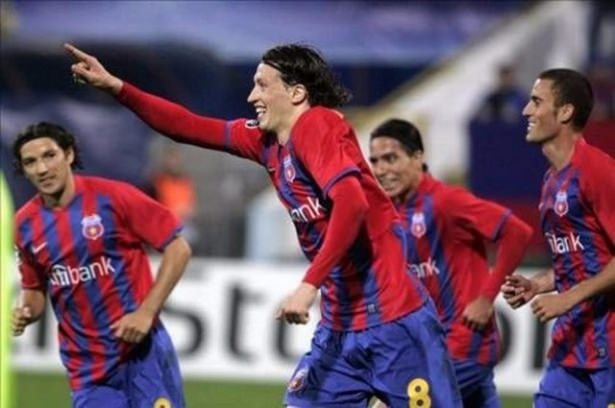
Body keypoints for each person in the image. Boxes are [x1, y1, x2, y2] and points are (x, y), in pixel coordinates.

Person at [65, 42, 462, 407]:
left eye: (262, 85)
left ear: (296, 93)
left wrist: (309, 284)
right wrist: (117, 87)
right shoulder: (266, 142)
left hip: (395, 322)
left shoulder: (317, 125)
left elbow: (352, 202)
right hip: (341, 327)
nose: (251, 96)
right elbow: (186, 125)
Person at [11, 122, 191, 408]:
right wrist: (25, 312)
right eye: (30, 162)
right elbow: (34, 288)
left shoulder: (114, 197)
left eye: (49, 155)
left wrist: (146, 312)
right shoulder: (24, 225)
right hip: (88, 369)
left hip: (143, 354)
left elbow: (178, 248)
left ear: (69, 154)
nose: (42, 168)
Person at [368, 119, 533, 408]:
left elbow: (517, 232)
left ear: (417, 157)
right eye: (375, 161)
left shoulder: (446, 201)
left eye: (391, 158)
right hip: (431, 347)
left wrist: (486, 298)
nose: (381, 170)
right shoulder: (392, 212)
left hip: (461, 346)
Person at [501, 68, 615, 408]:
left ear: (565, 112)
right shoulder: (551, 181)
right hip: (571, 348)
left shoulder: (598, 170)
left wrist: (568, 298)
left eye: (536, 102)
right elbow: (581, 258)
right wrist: (537, 284)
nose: (526, 111)